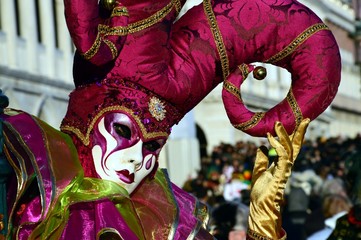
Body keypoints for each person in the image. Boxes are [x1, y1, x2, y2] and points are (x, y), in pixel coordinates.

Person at [0, 0, 340, 239]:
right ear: (86, 123)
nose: (138, 160)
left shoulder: (168, 228)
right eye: (123, 130)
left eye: (154, 147)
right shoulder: (21, 187)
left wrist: (263, 215)